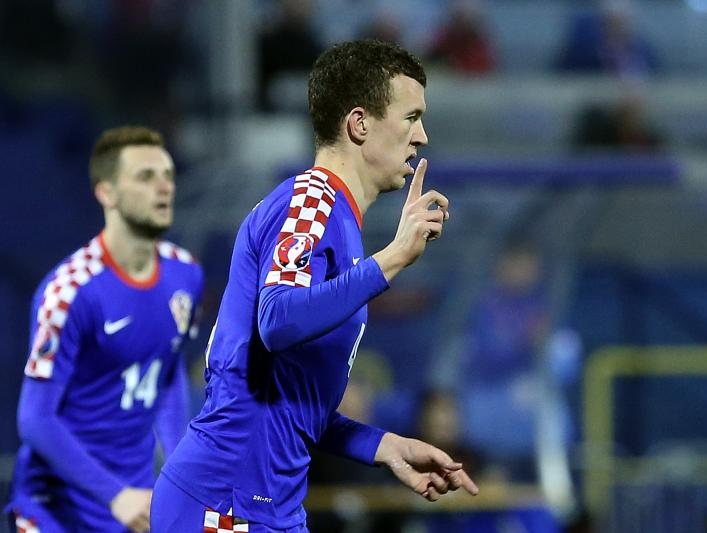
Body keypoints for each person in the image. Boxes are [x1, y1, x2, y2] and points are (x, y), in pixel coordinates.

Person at [151, 39, 479, 532]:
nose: (423, 136)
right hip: (221, 506)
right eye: (411, 117)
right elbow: (278, 319)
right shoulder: (310, 201)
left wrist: (384, 447)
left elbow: (290, 402)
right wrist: (391, 259)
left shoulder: (338, 221)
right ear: (360, 124)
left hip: (269, 508)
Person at [5, 126, 204, 533]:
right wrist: (114, 493)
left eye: (168, 175)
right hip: (55, 511)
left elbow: (166, 375)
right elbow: (34, 417)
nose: (164, 187)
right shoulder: (69, 292)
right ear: (106, 193)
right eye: (146, 177)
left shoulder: (186, 275)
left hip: (135, 505)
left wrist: (180, 473)